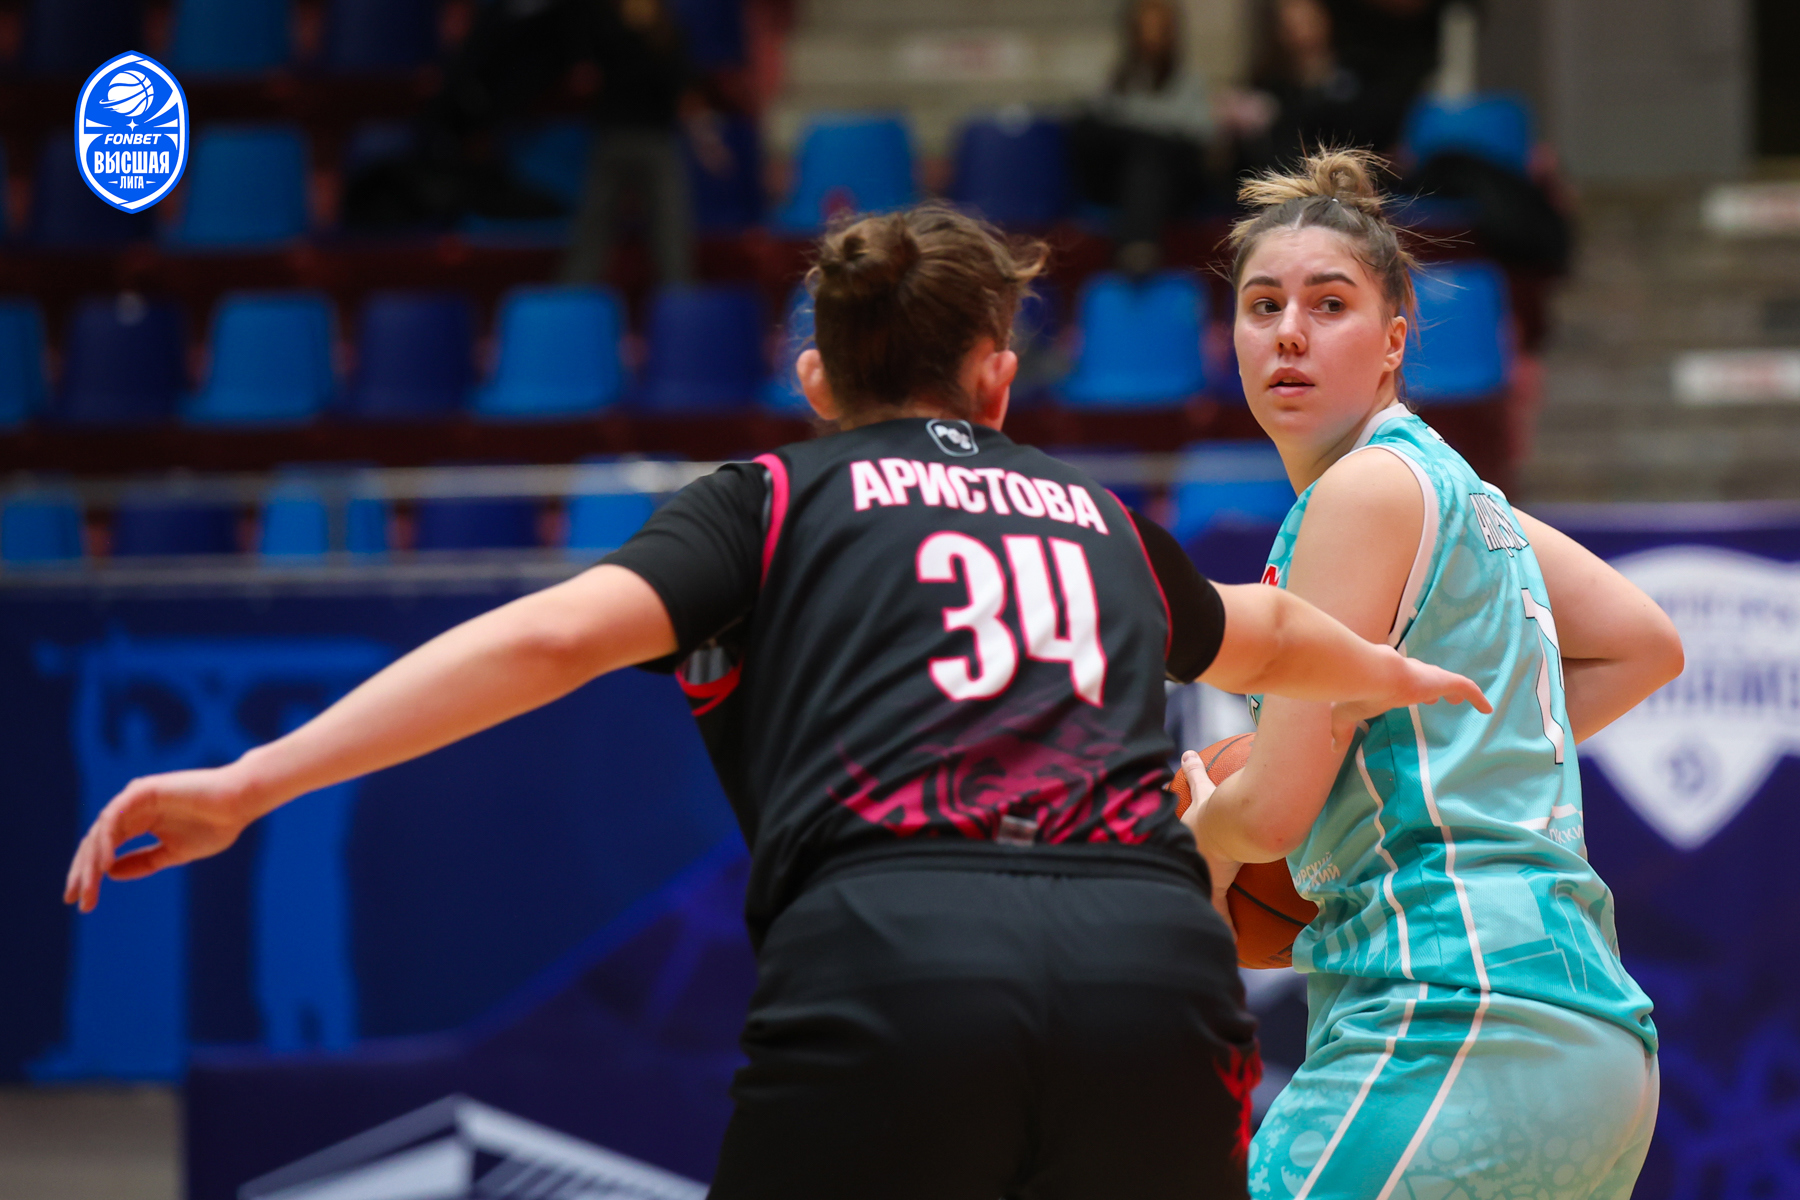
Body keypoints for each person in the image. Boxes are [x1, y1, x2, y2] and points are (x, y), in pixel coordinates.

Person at [64, 204, 1489, 1199]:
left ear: (816, 378)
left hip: (898, 964)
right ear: (997, 379)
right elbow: (1268, 634)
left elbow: (547, 641)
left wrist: (255, 779)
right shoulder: (1100, 514)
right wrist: (1412, 676)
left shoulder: (765, 499)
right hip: (1156, 982)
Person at [1179, 150, 1680, 1200]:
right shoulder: (1461, 492)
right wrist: (1450, 761)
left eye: (1330, 305)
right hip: (1596, 1048)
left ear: (1395, 340)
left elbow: (1271, 814)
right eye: (1263, 306)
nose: (1290, 333)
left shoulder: (1362, 492)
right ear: (1233, 338)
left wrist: (1197, 839)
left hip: (1454, 1014)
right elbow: (1644, 643)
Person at [1068, 0, 1218, 276]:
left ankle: (1136, 249)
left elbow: (1200, 138)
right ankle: (1139, 247)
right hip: (1119, 179)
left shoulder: (1189, 83)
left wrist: (1139, 131)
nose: (1151, 37)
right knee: (1126, 148)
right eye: (1144, 29)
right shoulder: (1113, 82)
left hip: (1175, 183)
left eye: (1158, 29)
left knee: (1150, 155)